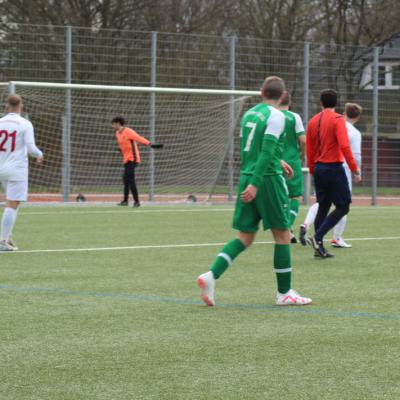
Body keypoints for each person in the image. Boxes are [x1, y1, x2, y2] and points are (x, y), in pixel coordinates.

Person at [197, 76, 312, 306]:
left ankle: (211, 276)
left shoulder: (250, 114)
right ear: (282, 96)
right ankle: (284, 293)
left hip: (247, 175)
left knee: (245, 236)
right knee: (282, 235)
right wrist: (258, 182)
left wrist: (271, 166)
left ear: (261, 92)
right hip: (266, 180)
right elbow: (267, 151)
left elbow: (253, 148)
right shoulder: (277, 116)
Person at [305, 90, 361, 258]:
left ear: (321, 103)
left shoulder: (313, 121)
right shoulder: (338, 120)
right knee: (343, 206)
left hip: (319, 168)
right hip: (334, 168)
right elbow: (344, 146)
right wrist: (354, 167)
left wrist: (313, 168)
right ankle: (317, 237)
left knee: (323, 206)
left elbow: (309, 149)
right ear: (336, 103)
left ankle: (319, 247)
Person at [0, 94, 43, 251]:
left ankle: (7, 237)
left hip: (1, 167)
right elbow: (31, 148)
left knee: (12, 202)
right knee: (12, 203)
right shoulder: (25, 124)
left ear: (6, 106)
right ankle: (3, 241)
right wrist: (40, 155)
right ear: (21, 106)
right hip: (16, 169)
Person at [278, 92, 306, 244]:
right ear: (291, 102)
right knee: (295, 196)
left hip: (275, 161)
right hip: (292, 162)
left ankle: (287, 230)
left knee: (281, 197)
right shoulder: (294, 117)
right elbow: (303, 140)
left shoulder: (271, 116)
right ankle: (287, 229)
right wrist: (302, 155)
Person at [112, 116, 152, 207]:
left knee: (130, 180)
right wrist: (120, 149)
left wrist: (149, 143)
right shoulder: (117, 133)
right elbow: (123, 145)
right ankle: (125, 201)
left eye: (113, 124)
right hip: (126, 159)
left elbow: (138, 138)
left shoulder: (128, 131)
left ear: (118, 123)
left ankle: (137, 202)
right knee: (126, 179)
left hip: (133, 159)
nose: (112, 126)